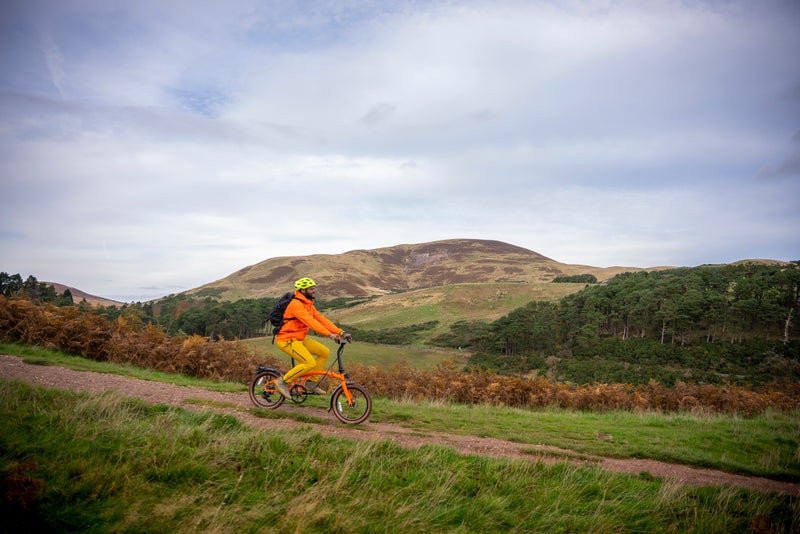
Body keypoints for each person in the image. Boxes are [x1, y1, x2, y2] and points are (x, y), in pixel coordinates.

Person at [274, 277, 352, 398]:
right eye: (311, 289)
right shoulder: (296, 304)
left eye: (313, 288)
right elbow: (311, 322)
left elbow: (321, 319)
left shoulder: (308, 304)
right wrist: (330, 335)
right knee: (308, 363)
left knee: (324, 352)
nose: (313, 290)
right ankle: (283, 381)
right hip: (287, 340)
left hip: (299, 338)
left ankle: (311, 382)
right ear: (302, 290)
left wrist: (340, 332)